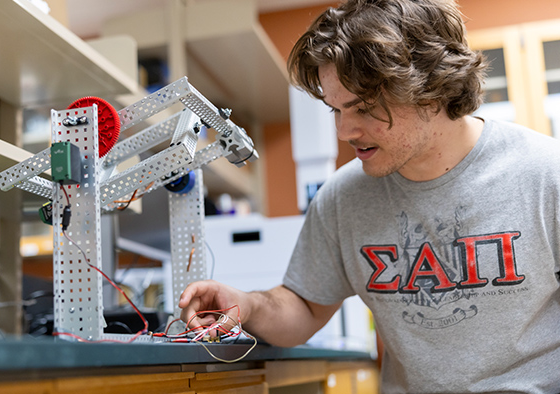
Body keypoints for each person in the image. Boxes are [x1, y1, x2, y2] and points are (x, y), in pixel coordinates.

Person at [178, 0, 560, 392]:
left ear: (432, 89)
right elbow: (306, 308)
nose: (345, 132)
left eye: (363, 108)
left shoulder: (546, 175)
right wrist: (248, 304)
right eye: (335, 111)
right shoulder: (342, 198)